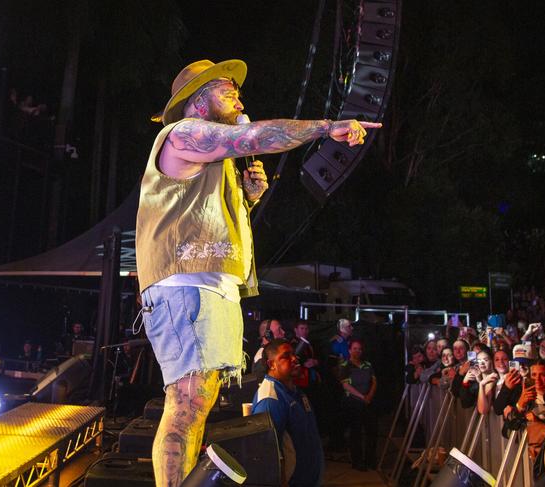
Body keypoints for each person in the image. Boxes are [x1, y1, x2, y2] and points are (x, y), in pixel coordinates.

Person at [135, 58, 380, 487]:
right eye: (224, 88)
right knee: (187, 402)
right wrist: (326, 127)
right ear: (196, 103)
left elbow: (209, 221)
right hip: (187, 285)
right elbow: (254, 135)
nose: (237, 93)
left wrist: (247, 199)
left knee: (199, 400)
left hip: (211, 287)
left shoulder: (216, 164)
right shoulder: (182, 134)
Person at [252, 339, 323, 487]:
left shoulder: (293, 390)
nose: (294, 358)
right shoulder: (270, 399)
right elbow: (268, 453)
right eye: (286, 356)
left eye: (293, 354)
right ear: (272, 364)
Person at [340, 339, 378, 471]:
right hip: (353, 403)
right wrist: (362, 397)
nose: (357, 351)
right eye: (355, 348)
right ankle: (357, 462)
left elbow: (374, 382)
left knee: (372, 431)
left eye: (359, 349)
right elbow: (345, 385)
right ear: (350, 350)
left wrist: (369, 396)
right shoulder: (345, 365)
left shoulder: (368, 365)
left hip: (368, 403)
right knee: (355, 433)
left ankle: (370, 460)